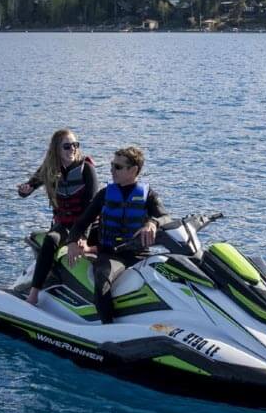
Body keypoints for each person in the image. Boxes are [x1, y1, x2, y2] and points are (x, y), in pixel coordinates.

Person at [65, 146, 167, 324]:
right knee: (102, 279)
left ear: (133, 170)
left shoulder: (147, 195)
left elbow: (165, 217)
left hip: (139, 255)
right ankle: (108, 326)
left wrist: (153, 223)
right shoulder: (105, 194)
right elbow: (81, 222)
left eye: (118, 167)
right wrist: (72, 241)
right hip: (111, 255)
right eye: (112, 165)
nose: (112, 170)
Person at [17, 129, 99, 305]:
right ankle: (33, 294)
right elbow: (29, 187)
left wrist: (81, 238)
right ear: (57, 150)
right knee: (50, 241)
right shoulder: (50, 169)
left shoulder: (87, 169)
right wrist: (24, 190)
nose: (72, 150)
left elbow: (92, 208)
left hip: (87, 225)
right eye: (67, 146)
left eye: (75, 145)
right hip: (64, 225)